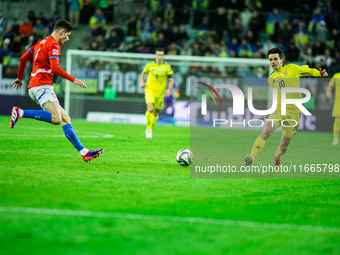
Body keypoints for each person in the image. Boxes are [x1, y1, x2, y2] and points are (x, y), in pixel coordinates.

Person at [10, 19, 103, 162]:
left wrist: (20, 78)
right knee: (56, 119)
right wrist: (74, 80)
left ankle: (84, 152)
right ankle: (21, 112)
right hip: (42, 86)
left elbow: (23, 59)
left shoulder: (40, 43)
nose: (68, 39)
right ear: (61, 32)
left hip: (34, 87)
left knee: (65, 118)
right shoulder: (54, 45)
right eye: (67, 36)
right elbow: (55, 68)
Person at [244, 47, 328, 167]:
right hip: (280, 109)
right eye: (270, 59)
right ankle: (251, 157)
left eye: (275, 59)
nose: (272, 62)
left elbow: (308, 71)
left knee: (284, 147)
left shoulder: (292, 68)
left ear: (281, 59)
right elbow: (278, 95)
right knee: (267, 130)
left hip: (294, 112)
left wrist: (319, 74)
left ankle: (277, 155)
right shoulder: (271, 79)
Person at [140, 49, 174, 139]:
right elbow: (144, 72)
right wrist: (142, 82)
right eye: (158, 55)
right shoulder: (150, 65)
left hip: (160, 93)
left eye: (161, 55)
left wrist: (169, 89)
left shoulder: (167, 67)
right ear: (155, 56)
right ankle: (148, 129)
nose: (159, 57)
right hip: (150, 90)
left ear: (164, 56)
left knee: (156, 112)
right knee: (150, 109)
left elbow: (171, 79)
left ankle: (151, 127)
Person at [326, 72, 340, 145]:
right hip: (338, 102)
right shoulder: (337, 76)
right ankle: (335, 139)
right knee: (337, 119)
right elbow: (329, 86)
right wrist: (328, 92)